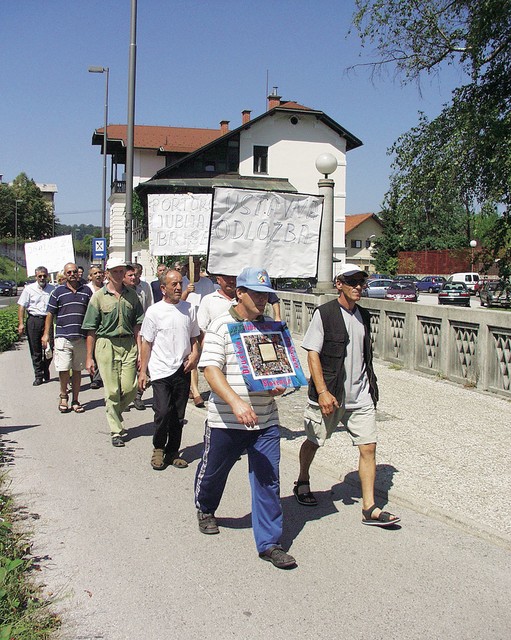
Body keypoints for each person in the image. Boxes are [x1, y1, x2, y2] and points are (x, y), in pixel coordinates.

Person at [194, 267, 296, 569]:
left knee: (268, 481)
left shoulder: (271, 328)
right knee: (214, 473)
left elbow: (278, 369)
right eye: (256, 293)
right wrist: (236, 402)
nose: (262, 300)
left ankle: (270, 543)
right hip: (226, 419)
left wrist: (280, 382)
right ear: (240, 292)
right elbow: (210, 369)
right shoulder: (221, 326)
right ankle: (206, 508)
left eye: (266, 294)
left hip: (264, 421)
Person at [294, 264, 400, 527]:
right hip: (330, 394)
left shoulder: (364, 315)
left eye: (361, 282)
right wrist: (322, 392)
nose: (358, 287)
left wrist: (370, 388)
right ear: (339, 283)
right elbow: (312, 353)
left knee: (368, 447)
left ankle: (369, 507)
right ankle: (303, 480)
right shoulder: (325, 314)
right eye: (352, 282)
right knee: (313, 441)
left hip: (361, 396)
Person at [139, 269, 200, 470]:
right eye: (173, 284)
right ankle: (158, 448)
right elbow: (146, 342)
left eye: (180, 283)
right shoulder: (154, 311)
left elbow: (194, 337)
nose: (178, 287)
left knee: (178, 414)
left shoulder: (189, 309)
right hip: (160, 370)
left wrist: (194, 355)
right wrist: (143, 370)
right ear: (163, 288)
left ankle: (173, 451)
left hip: (182, 368)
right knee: (163, 411)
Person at [82, 257, 144, 447]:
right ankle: (116, 431)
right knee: (112, 390)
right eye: (115, 271)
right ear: (107, 273)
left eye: (121, 271)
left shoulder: (132, 296)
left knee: (130, 388)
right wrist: (89, 358)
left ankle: (114, 412)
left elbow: (137, 326)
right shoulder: (98, 297)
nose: (119, 274)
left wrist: (141, 352)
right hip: (106, 344)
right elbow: (90, 329)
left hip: (128, 344)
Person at [42, 262, 92, 413]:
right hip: (63, 336)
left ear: (78, 273)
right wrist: (46, 334)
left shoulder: (86, 291)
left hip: (81, 337)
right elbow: (50, 314)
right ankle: (64, 396)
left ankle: (76, 399)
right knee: (63, 369)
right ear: (65, 274)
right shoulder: (58, 292)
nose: (72, 274)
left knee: (77, 370)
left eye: (74, 272)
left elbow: (92, 313)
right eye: (69, 272)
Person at [182, 256, 216, 407]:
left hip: (203, 324)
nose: (195, 270)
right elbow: (177, 303)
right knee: (193, 356)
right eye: (192, 266)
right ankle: (196, 392)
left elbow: (210, 303)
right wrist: (186, 292)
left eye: (197, 266)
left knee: (207, 356)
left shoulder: (207, 283)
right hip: (186, 323)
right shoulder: (181, 282)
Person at [17, 266, 55, 386]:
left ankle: (45, 367)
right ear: (36, 277)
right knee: (36, 349)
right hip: (34, 320)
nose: (42, 278)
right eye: (40, 276)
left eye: (44, 276)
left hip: (48, 319)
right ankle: (38, 375)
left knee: (51, 348)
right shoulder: (29, 289)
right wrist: (21, 323)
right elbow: (22, 306)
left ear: (47, 276)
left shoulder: (53, 289)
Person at [123, 264, 153, 410]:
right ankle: (125, 396)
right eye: (131, 275)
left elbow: (149, 307)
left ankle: (138, 395)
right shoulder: (120, 292)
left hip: (143, 330)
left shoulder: (144, 288)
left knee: (144, 364)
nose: (134, 277)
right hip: (127, 333)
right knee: (128, 366)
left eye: (136, 275)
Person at [86, 265, 105, 389]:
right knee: (92, 352)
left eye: (100, 272)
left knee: (102, 352)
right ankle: (94, 377)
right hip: (91, 324)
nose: (98, 275)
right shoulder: (86, 289)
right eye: (95, 273)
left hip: (104, 324)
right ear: (90, 276)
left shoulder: (108, 288)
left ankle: (99, 378)